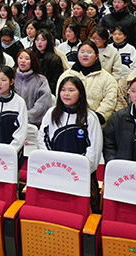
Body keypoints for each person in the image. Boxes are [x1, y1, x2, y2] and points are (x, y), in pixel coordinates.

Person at [38, 76, 103, 210]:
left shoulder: (90, 117)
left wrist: (77, 170)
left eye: (71, 90)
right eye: (63, 90)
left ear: (80, 94)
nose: (66, 94)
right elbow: (42, 138)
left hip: (80, 175)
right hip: (55, 172)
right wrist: (53, 164)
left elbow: (94, 150)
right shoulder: (51, 113)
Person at [57, 41, 118, 126]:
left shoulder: (108, 79)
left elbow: (109, 101)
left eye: (89, 52)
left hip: (96, 123)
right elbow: (59, 98)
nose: (85, 55)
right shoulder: (66, 75)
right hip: (67, 121)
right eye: (82, 52)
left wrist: (95, 120)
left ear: (97, 56)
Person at [15, 49, 52, 127]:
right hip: (12, 121)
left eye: (27, 59)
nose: (23, 61)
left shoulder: (41, 80)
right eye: (20, 58)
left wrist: (25, 117)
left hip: (33, 124)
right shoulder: (11, 78)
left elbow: (43, 104)